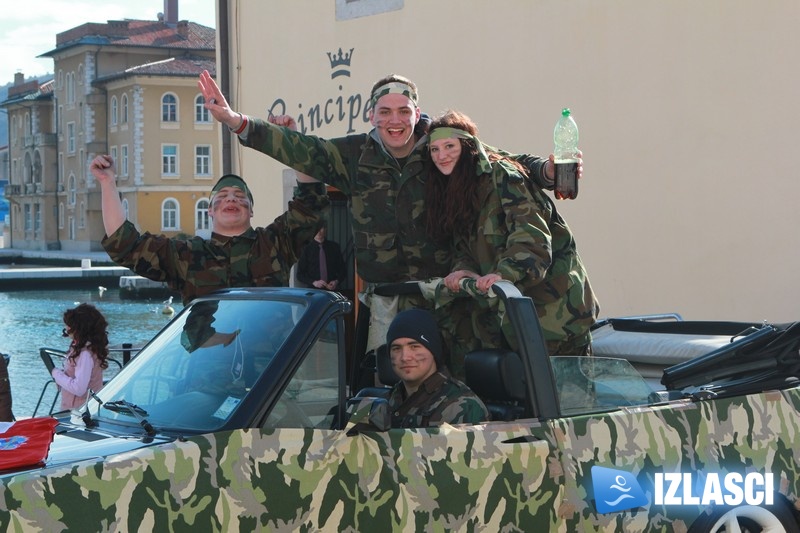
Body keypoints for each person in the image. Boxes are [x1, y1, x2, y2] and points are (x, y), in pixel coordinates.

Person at [197, 71, 573, 291]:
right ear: (372, 115)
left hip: (443, 288)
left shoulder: (442, 147)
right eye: (386, 111)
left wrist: (545, 171)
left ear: (416, 113)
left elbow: (495, 159)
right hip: (383, 294)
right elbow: (301, 149)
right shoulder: (353, 155)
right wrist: (235, 121)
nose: (395, 120)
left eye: (404, 111)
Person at [427, 110, 599, 361]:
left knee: (567, 399)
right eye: (434, 150)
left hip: (557, 321)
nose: (441, 156)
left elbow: (533, 239)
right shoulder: (458, 187)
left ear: (468, 146)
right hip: (513, 323)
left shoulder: (502, 175)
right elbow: (465, 245)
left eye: (450, 146)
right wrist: (463, 269)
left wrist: (503, 275)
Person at [93, 154, 329, 305]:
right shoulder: (187, 255)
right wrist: (107, 183)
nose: (231, 200)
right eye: (223, 196)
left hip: (271, 367)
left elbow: (311, 207)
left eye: (239, 196)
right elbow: (125, 244)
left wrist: (293, 143)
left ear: (251, 210)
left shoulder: (276, 242)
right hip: (207, 372)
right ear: (210, 211)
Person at [384, 309, 489, 428]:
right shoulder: (385, 402)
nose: (405, 357)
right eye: (396, 348)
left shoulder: (462, 405)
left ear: (433, 351)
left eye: (414, 347)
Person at [52, 303, 110, 411]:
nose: (66, 327)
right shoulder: (90, 349)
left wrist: (56, 374)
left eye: (70, 325)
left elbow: (79, 388)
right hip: (86, 410)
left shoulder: (85, 354)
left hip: (79, 413)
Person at [296, 220, 346, 290]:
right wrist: (314, 282)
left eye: (320, 228)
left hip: (332, 289)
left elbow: (343, 270)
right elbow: (300, 275)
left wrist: (336, 281)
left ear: (325, 230)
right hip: (314, 290)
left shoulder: (334, 247)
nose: (318, 232)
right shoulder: (306, 249)